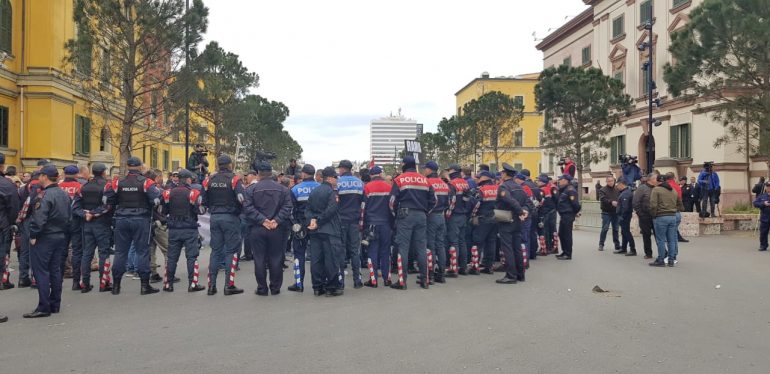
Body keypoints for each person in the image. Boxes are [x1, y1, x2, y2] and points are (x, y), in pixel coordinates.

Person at [102, 156, 162, 295]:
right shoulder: (146, 182)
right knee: (142, 252)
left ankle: (116, 286)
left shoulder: (118, 182)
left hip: (122, 219)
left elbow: (106, 199)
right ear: (140, 167)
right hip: (141, 219)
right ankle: (144, 286)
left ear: (128, 166)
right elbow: (156, 200)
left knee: (120, 252)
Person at [24, 165, 71, 318]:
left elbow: (39, 219)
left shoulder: (43, 195)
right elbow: (69, 217)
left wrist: (33, 235)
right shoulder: (64, 194)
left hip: (44, 237)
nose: (39, 178)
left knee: (41, 271)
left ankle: (44, 307)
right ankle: (55, 304)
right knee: (55, 270)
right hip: (60, 236)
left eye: (40, 175)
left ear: (44, 177)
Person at [242, 162, 292, 296]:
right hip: (276, 228)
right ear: (271, 173)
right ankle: (275, 287)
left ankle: (262, 288)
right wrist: (276, 220)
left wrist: (262, 220)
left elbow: (247, 208)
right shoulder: (283, 189)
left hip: (258, 228)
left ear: (258, 174)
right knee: (276, 258)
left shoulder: (251, 189)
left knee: (259, 258)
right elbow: (287, 207)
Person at [202, 155, 246, 296]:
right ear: (230, 165)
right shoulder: (234, 179)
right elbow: (242, 199)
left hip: (215, 217)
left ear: (218, 165)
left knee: (215, 251)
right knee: (231, 251)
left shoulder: (209, 180)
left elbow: (202, 202)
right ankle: (229, 285)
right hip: (231, 218)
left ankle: (211, 286)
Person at [390, 156, 435, 289]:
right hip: (421, 215)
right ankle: (424, 280)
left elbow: (392, 201)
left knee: (403, 248)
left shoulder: (399, 179)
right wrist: (425, 212)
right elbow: (434, 200)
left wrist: (395, 215)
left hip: (405, 215)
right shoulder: (425, 180)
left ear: (404, 164)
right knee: (421, 248)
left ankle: (402, 281)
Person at [161, 170, 206, 292]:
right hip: (189, 228)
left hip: (174, 229)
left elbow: (163, 211)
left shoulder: (168, 193)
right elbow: (200, 211)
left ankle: (168, 284)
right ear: (188, 179)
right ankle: (193, 284)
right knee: (192, 257)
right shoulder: (193, 193)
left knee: (171, 257)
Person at [72, 163, 112, 292]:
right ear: (104, 172)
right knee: (103, 253)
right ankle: (104, 283)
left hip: (87, 224)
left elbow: (75, 207)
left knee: (87, 254)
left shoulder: (83, 187)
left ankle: (85, 284)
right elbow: (108, 205)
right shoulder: (107, 186)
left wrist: (86, 214)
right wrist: (94, 213)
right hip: (102, 223)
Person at [306, 166, 343, 297]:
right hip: (329, 229)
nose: (337, 180)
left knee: (316, 259)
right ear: (330, 178)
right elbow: (331, 210)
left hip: (315, 231)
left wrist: (312, 220)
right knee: (331, 259)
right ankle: (331, 287)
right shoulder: (332, 193)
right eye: (335, 178)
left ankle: (317, 287)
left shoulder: (314, 191)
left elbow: (308, 209)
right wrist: (319, 221)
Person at [495, 163, 531, 284]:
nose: (501, 174)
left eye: (502, 172)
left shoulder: (504, 187)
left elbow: (509, 200)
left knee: (507, 248)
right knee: (517, 248)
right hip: (517, 221)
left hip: (506, 219)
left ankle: (511, 275)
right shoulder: (519, 187)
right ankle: (520, 274)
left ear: (505, 174)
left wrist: (520, 211)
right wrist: (523, 211)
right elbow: (527, 202)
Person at [288, 164, 319, 292]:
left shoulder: (295, 189)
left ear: (304, 174)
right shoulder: (320, 188)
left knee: (299, 254)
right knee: (317, 255)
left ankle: (299, 284)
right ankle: (318, 284)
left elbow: (290, 210)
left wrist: (294, 224)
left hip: (300, 226)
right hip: (317, 225)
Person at [361, 166, 394, 287]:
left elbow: (363, 208)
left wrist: (362, 225)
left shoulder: (367, 187)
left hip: (372, 224)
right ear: (380, 174)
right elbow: (392, 206)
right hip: (386, 224)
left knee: (372, 251)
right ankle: (387, 279)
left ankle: (373, 280)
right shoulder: (389, 187)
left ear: (371, 175)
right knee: (386, 251)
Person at [335, 160, 364, 289]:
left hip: (341, 220)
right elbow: (363, 202)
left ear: (342, 169)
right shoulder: (360, 182)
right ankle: (357, 280)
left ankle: (341, 281)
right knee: (355, 251)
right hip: (355, 220)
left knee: (341, 250)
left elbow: (334, 201)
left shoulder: (338, 182)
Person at [649, 174, 684, 267]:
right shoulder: (673, 190)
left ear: (657, 181)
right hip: (672, 216)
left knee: (660, 240)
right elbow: (680, 204)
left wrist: (654, 215)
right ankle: (671, 260)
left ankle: (661, 260)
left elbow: (653, 205)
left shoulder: (656, 189)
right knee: (671, 239)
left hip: (661, 216)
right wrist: (675, 209)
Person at [423, 161, 450, 282]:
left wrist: (426, 213)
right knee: (440, 244)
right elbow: (450, 202)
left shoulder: (428, 182)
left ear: (429, 170)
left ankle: (431, 274)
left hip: (431, 216)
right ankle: (441, 274)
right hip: (441, 216)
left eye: (425, 169)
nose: (424, 171)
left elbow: (427, 201)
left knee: (430, 245)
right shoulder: (444, 184)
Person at [59, 166, 84, 288]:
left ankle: (58, 279)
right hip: (76, 220)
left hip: (61, 221)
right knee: (76, 251)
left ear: (64, 173)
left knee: (61, 251)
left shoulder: (58, 186)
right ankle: (76, 282)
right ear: (76, 174)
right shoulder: (80, 186)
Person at [445, 164, 471, 277]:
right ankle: (463, 267)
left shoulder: (452, 184)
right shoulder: (465, 183)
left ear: (453, 171)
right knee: (462, 241)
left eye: (449, 170)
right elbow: (467, 199)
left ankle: (453, 268)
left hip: (454, 216)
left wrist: (448, 214)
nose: (448, 172)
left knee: (454, 242)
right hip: (463, 215)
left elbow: (452, 201)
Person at [470, 170, 498, 274]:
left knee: (477, 242)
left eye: (478, 177)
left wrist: (473, 216)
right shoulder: (498, 188)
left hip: (482, 218)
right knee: (491, 242)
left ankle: (475, 266)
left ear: (484, 178)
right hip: (495, 218)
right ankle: (489, 266)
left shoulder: (481, 190)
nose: (476, 179)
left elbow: (476, 205)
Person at [0, 154, 21, 290]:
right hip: (3, 223)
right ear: (2, 166)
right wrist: (13, 222)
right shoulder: (7, 184)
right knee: (3, 251)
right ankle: (3, 280)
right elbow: (14, 207)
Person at [555, 174, 580, 260]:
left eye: (561, 179)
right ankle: (564, 251)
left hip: (568, 215)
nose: (559, 181)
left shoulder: (570, 190)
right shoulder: (564, 190)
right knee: (561, 234)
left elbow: (576, 204)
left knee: (567, 235)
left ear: (566, 181)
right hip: (563, 215)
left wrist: (574, 213)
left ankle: (568, 254)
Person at [633, 174, 656, 259]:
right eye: (656, 178)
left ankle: (663, 253)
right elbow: (635, 202)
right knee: (646, 235)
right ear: (650, 179)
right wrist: (641, 214)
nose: (657, 180)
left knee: (659, 236)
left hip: (656, 216)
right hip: (645, 216)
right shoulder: (642, 188)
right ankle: (648, 253)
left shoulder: (657, 188)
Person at [597, 176, 620, 252]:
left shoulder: (617, 189)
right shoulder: (602, 190)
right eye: (609, 181)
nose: (610, 182)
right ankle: (601, 244)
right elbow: (602, 199)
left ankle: (617, 245)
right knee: (605, 228)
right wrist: (611, 202)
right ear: (606, 182)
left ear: (614, 181)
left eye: (612, 181)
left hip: (616, 212)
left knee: (616, 229)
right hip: (606, 212)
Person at [536, 174, 557, 255]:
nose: (537, 182)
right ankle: (553, 247)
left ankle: (544, 249)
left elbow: (539, 202)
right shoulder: (549, 188)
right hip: (551, 211)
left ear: (542, 182)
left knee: (543, 230)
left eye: (538, 180)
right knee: (551, 230)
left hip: (544, 212)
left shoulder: (542, 190)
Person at [615, 178, 636, 256]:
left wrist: (622, 216)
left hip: (625, 216)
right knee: (624, 232)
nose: (617, 186)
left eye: (617, 185)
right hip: (624, 215)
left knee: (626, 232)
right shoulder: (625, 192)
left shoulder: (626, 193)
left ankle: (633, 249)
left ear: (621, 184)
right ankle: (624, 248)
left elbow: (625, 207)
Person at [753, 181, 770, 252]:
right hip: (764, 218)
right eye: (767, 186)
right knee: (763, 233)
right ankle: (763, 245)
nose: (768, 188)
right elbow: (755, 203)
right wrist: (763, 203)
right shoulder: (762, 196)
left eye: (769, 186)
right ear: (765, 187)